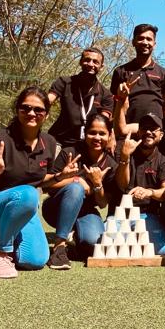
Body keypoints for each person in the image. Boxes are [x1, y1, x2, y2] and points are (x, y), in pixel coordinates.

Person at [0, 86, 59, 279]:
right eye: (25, 108)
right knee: (29, 194)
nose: (31, 113)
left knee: (35, 260)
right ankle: (1, 254)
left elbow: (40, 179)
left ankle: (3, 238)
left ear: (47, 115)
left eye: (38, 110)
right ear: (17, 110)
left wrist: (61, 176)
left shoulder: (48, 142)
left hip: (21, 208)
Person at [41, 111, 116, 269]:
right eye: (92, 132)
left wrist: (98, 184)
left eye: (102, 133)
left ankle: (74, 238)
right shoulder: (70, 152)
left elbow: (102, 204)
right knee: (76, 188)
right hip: (56, 208)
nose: (97, 137)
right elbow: (46, 186)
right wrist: (73, 179)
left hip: (85, 212)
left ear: (109, 136)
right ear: (85, 134)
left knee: (94, 242)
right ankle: (59, 247)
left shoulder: (111, 164)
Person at [112, 112, 165, 255]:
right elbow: (122, 184)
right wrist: (125, 157)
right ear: (139, 132)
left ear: (161, 135)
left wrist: (149, 192)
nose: (148, 132)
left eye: (153, 129)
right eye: (144, 128)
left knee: (163, 250)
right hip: (120, 214)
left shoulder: (163, 161)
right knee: (102, 244)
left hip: (146, 215)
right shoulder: (125, 151)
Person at [47, 47, 114, 150]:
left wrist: (111, 137)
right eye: (87, 60)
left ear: (101, 67)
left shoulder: (106, 94)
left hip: (87, 145)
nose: (91, 64)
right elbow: (47, 101)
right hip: (58, 140)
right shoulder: (65, 82)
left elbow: (104, 122)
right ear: (80, 62)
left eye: (95, 62)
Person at [109, 23, 165, 125]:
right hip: (126, 128)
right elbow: (114, 104)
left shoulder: (164, 74)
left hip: (155, 129)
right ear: (133, 42)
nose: (145, 42)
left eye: (149, 39)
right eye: (141, 38)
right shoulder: (120, 71)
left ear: (154, 44)